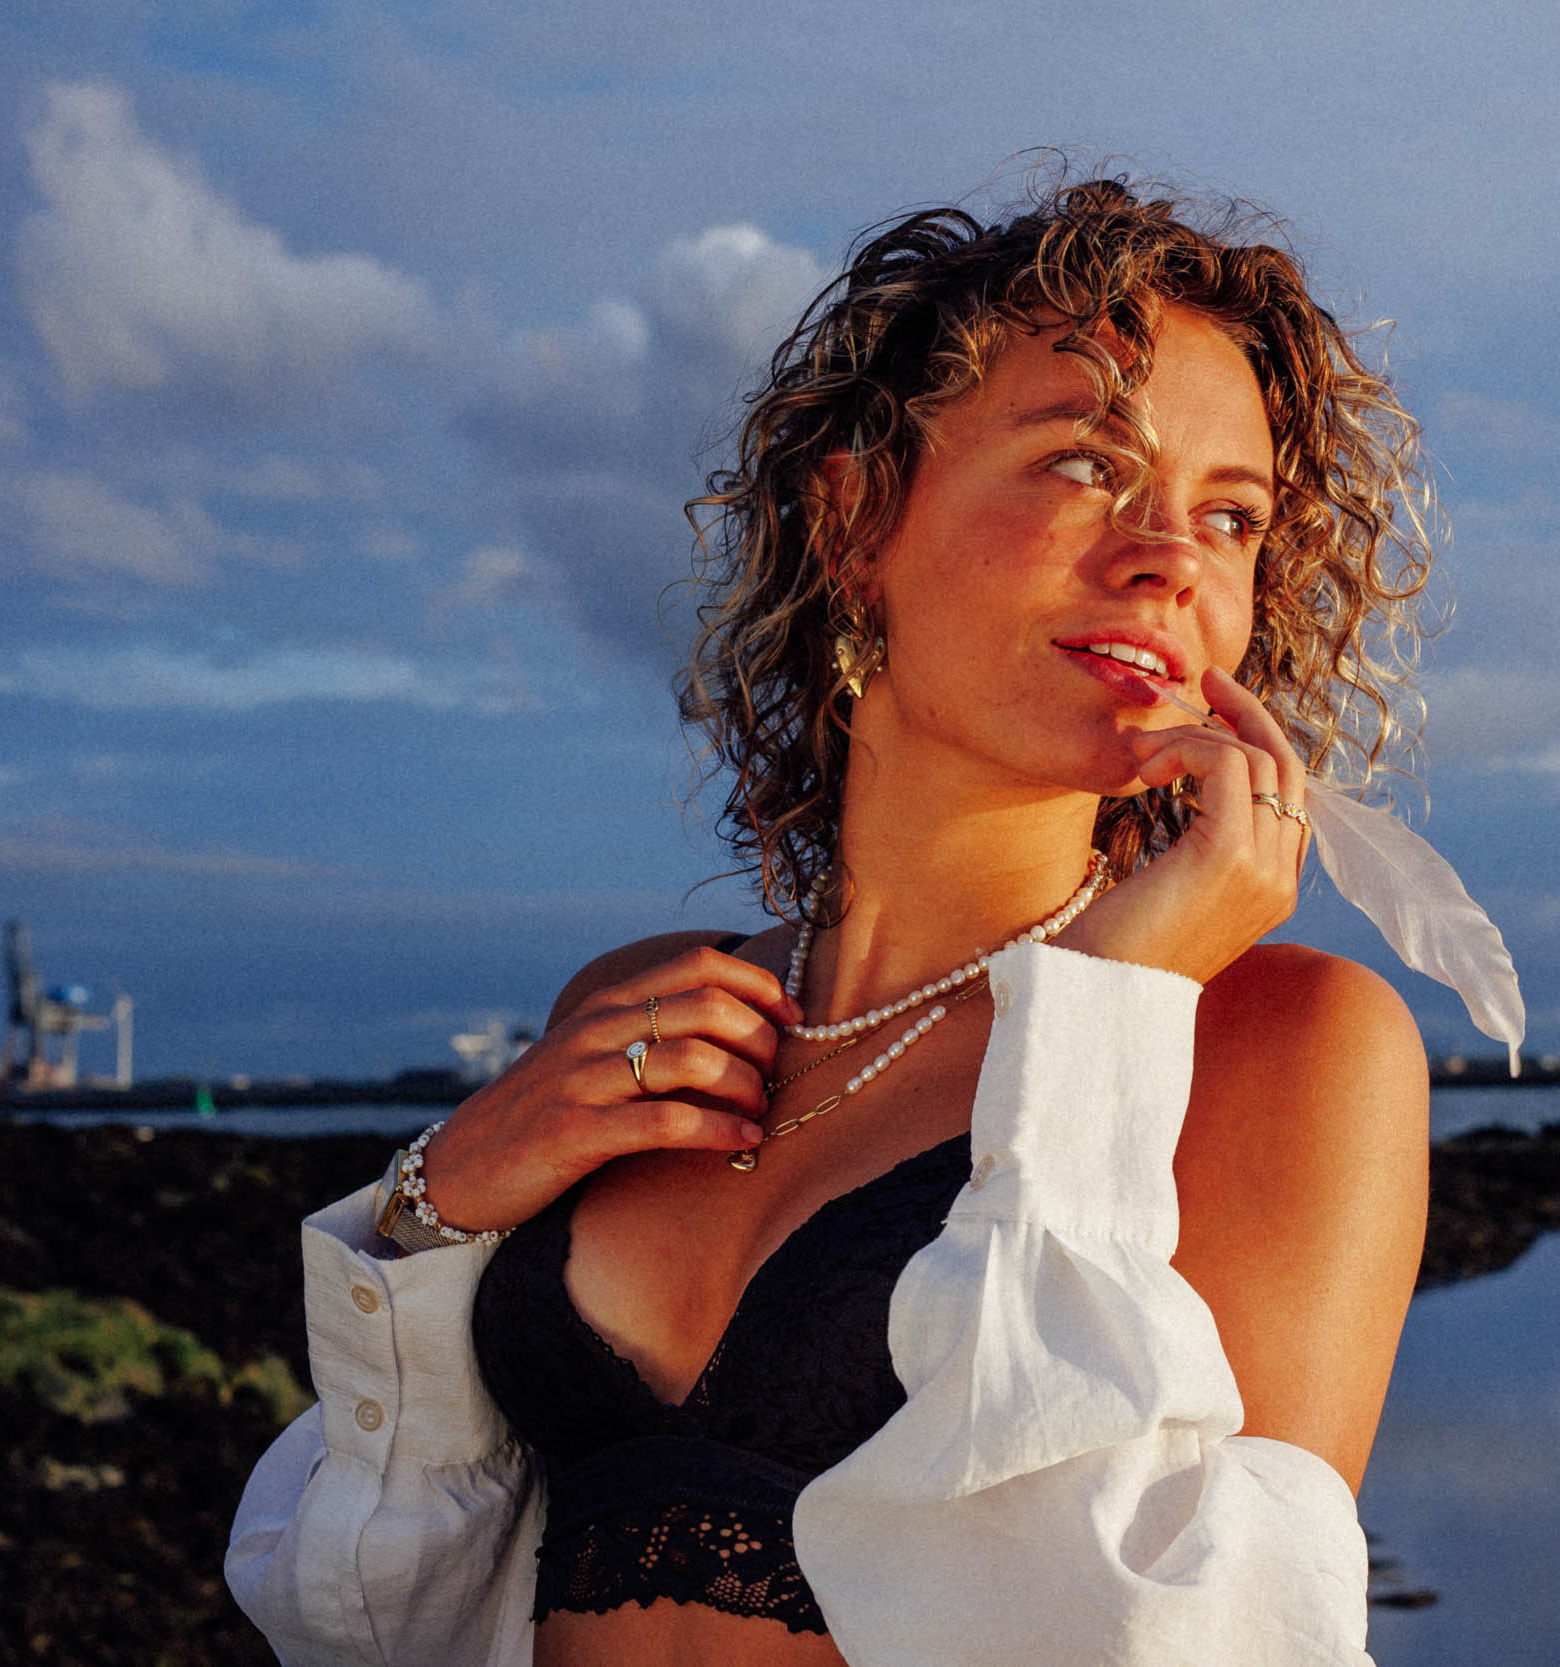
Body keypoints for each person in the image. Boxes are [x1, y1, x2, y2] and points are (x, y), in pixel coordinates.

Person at [228, 175, 1439, 1666]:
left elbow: (1191, 1636)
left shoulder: (1283, 1042)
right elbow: (384, 1607)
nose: (1169, 556)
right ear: (857, 512)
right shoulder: (644, 1001)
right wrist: (439, 1204)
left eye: (1231, 516)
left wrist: (1111, 1019)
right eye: (1082, 467)